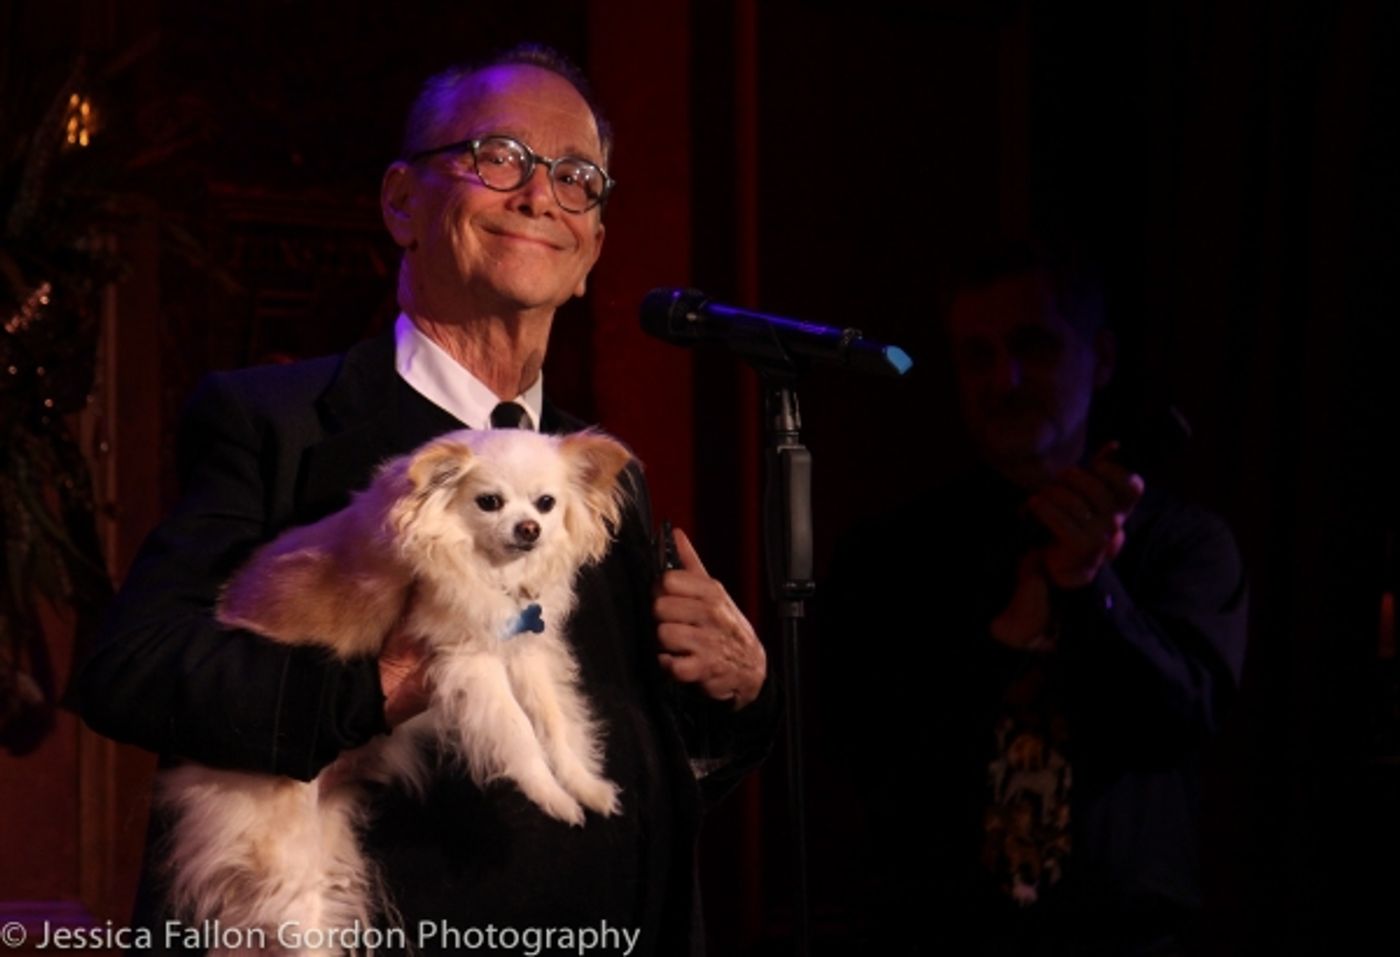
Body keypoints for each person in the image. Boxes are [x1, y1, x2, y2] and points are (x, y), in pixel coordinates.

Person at [79, 44, 775, 956]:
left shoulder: (604, 479)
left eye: (577, 180)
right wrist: (384, 682)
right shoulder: (277, 423)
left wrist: (735, 691)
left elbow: (637, 772)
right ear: (401, 203)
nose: (540, 196)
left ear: (592, 250)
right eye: (500, 157)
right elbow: (131, 668)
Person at [822, 244, 1248, 955]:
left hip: (1126, 936)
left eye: (1033, 346)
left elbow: (1179, 719)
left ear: (1101, 356)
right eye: (977, 356)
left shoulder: (1186, 544)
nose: (1004, 379)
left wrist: (1088, 586)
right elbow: (872, 750)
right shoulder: (895, 554)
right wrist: (1005, 638)